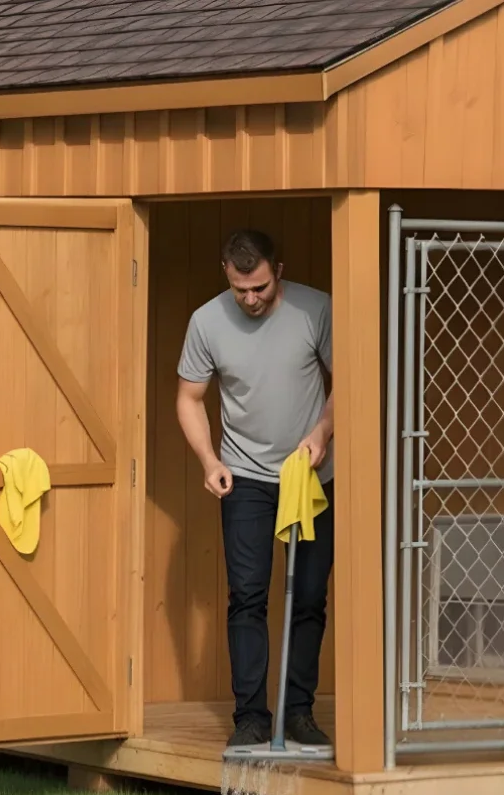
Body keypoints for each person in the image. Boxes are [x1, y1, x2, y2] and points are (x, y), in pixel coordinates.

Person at [175, 228, 334, 748]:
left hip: (311, 476)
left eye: (261, 288)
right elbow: (190, 398)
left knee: (308, 596)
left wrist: (321, 432)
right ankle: (251, 717)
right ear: (227, 272)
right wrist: (209, 460)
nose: (251, 299)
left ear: (278, 272)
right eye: (241, 289)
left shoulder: (315, 310)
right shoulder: (206, 321)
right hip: (242, 477)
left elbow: (349, 382)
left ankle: (298, 713)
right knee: (247, 597)